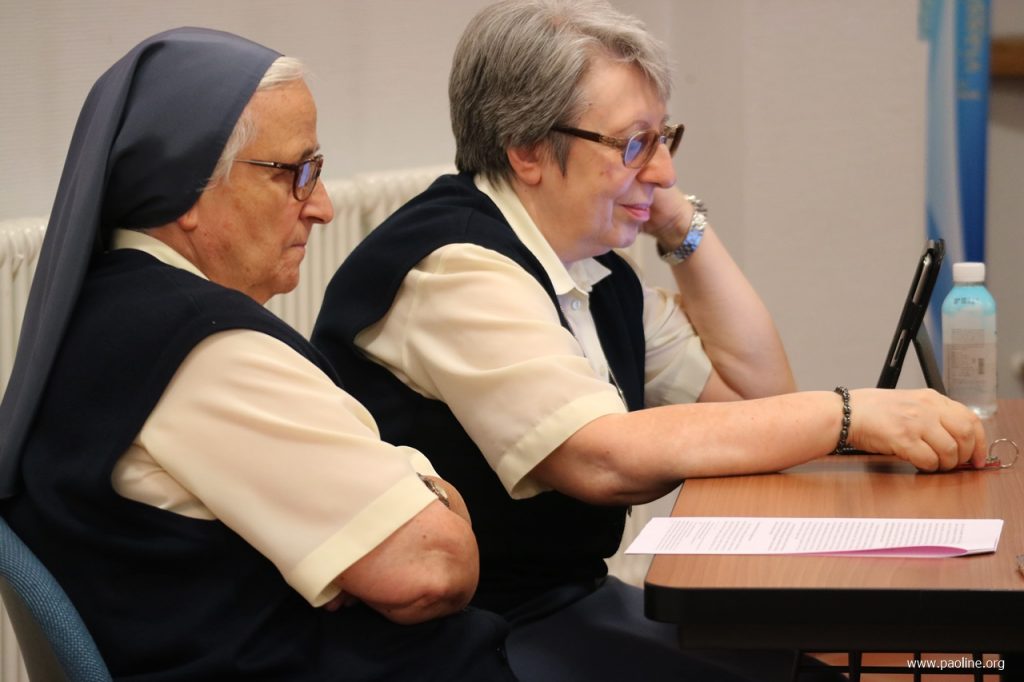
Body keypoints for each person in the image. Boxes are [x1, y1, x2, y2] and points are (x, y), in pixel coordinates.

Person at [310, 0, 988, 680]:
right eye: (634, 144)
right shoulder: (457, 268)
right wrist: (849, 414)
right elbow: (601, 460)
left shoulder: (588, 269)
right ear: (527, 149)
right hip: (458, 642)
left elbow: (756, 397)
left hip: (559, 603)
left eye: (665, 139)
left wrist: (681, 226)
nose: (663, 172)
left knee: (797, 670)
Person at [0, 27, 516, 680]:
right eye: (296, 173)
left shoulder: (110, 305)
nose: (322, 207)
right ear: (189, 189)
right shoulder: (206, 349)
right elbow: (432, 568)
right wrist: (421, 480)